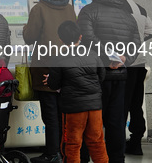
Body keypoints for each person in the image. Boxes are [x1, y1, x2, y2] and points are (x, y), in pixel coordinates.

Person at [77, 0, 140, 163]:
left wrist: (109, 56)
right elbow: (136, 44)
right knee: (116, 121)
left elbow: (87, 39)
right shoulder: (127, 15)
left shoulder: (88, 11)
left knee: (91, 120)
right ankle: (117, 159)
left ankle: (86, 157)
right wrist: (123, 60)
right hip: (119, 74)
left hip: (95, 74)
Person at [24, 0, 76, 163]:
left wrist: (25, 28)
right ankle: (63, 151)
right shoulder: (69, 7)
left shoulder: (38, 9)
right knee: (64, 112)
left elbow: (30, 37)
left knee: (50, 111)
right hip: (68, 62)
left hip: (46, 64)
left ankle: (52, 153)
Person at [44, 21, 108, 163]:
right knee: (97, 143)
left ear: (60, 39)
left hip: (73, 108)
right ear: (80, 36)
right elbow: (101, 76)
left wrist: (49, 79)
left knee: (72, 145)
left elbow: (54, 84)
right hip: (95, 106)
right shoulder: (93, 54)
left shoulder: (58, 58)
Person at [104, 0, 152, 156]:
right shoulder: (140, 8)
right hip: (139, 63)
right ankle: (136, 143)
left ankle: (116, 146)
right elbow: (151, 30)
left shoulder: (114, 8)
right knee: (136, 104)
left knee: (119, 107)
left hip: (122, 64)